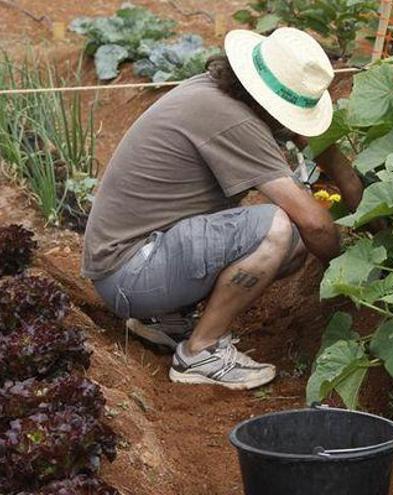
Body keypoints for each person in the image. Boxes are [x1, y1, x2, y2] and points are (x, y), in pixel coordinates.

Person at [82, 28, 365, 390]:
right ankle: (200, 351)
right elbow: (317, 225)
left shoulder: (217, 92)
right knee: (278, 228)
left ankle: (169, 319)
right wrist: (347, 270)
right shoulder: (235, 121)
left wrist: (351, 183)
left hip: (132, 262)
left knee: (290, 245)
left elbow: (310, 143)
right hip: (131, 274)